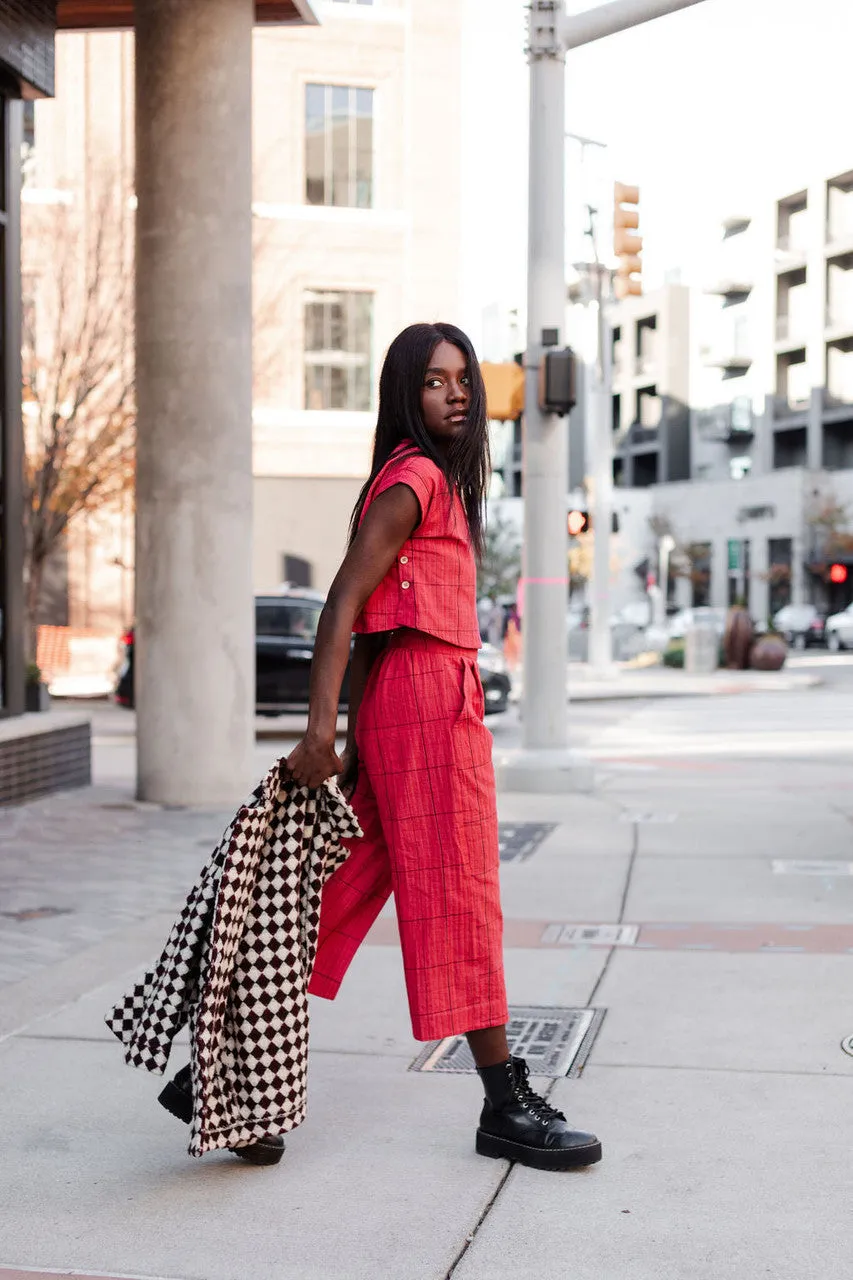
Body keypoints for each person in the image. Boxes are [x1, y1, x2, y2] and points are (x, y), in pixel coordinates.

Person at [286, 322, 601, 1172]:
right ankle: (504, 1105)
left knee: (339, 890)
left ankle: (219, 1067)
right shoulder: (416, 480)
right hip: (428, 707)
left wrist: (353, 736)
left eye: (462, 378)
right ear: (404, 394)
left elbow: (374, 631)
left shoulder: (423, 481)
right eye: (434, 381)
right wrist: (321, 731)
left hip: (411, 704)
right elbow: (343, 603)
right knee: (459, 896)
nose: (456, 393)